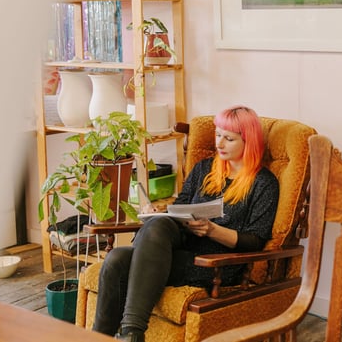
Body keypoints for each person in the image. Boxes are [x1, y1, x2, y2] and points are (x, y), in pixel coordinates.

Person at [92, 105, 279, 342]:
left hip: (215, 262)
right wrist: (157, 212)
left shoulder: (264, 184)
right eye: (218, 134)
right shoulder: (204, 169)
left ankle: (130, 333)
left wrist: (212, 230)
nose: (219, 143)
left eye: (229, 139)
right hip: (178, 247)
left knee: (119, 259)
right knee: (132, 244)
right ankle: (110, 336)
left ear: (248, 141)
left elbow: (255, 241)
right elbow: (180, 206)